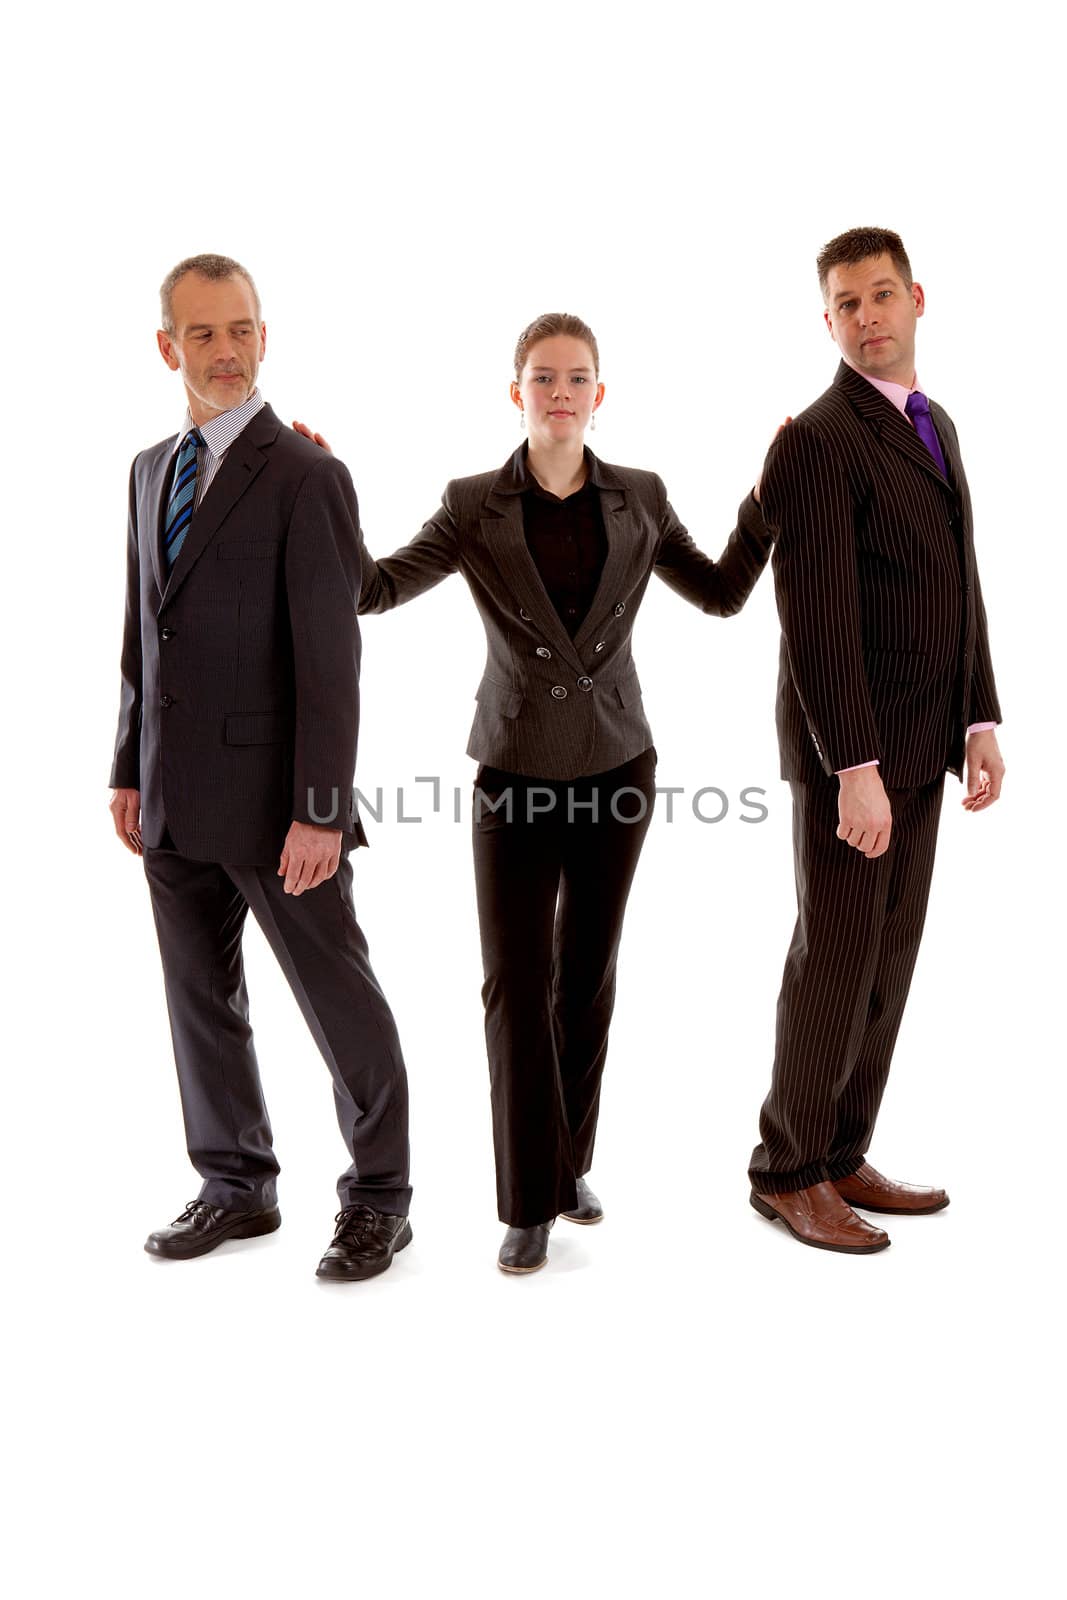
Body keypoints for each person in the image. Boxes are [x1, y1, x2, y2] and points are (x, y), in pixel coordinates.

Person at [297, 312, 776, 1273]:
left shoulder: (639, 494)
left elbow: (722, 594)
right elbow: (375, 589)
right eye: (542, 377)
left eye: (577, 378)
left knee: (586, 975)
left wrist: (767, 494)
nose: (560, 392)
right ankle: (526, 1201)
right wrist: (327, 493)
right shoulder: (474, 503)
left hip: (616, 766)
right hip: (513, 768)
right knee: (516, 981)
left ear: (601, 394)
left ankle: (566, 1166)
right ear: (513, 391)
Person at [109, 254, 412, 1282]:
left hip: (283, 809)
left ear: (263, 335)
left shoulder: (309, 476)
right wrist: (125, 763)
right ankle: (235, 1183)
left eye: (240, 328)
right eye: (202, 334)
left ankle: (380, 1198)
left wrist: (320, 810)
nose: (225, 350)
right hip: (170, 795)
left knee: (340, 1000)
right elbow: (141, 632)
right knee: (201, 999)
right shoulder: (151, 469)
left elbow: (334, 662)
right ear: (168, 347)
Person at [748, 227, 1004, 1254]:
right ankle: (785, 1169)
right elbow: (814, 621)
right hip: (850, 755)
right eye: (846, 303)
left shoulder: (932, 421)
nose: (867, 316)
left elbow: (959, 578)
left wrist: (978, 716)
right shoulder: (815, 438)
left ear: (915, 300)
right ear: (827, 321)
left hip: (924, 740)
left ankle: (842, 1148)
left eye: (881, 294)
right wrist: (851, 770)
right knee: (836, 953)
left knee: (887, 958)